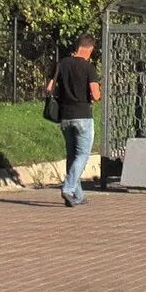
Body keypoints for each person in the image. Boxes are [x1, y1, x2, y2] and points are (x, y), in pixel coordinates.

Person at [44, 34, 101, 207]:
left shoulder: (61, 64)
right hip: (83, 116)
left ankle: (78, 195)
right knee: (82, 155)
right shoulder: (89, 67)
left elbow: (48, 88)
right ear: (90, 49)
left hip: (65, 117)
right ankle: (68, 188)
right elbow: (96, 94)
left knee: (72, 155)